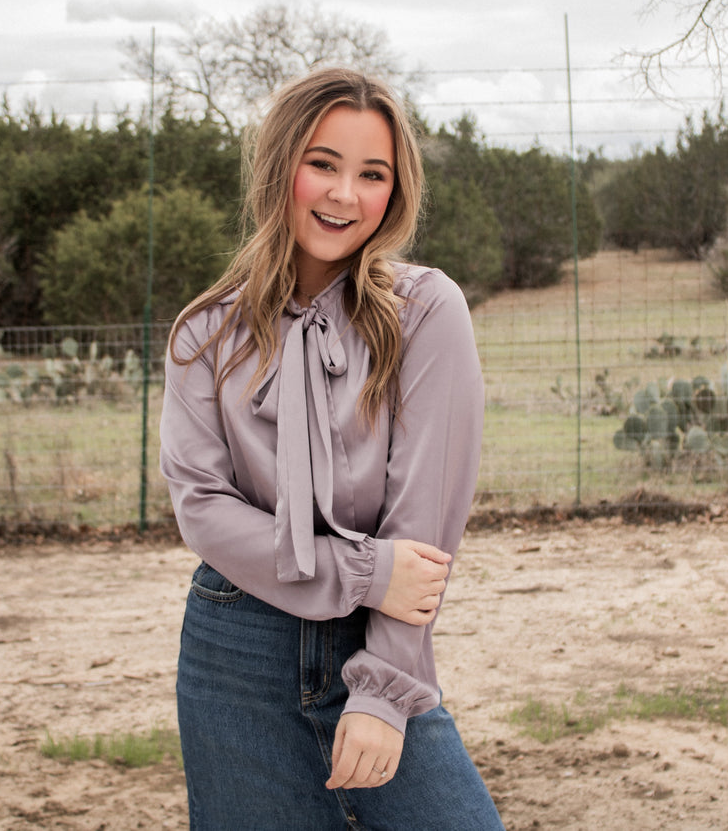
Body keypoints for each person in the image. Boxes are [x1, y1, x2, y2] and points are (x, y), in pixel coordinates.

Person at [159, 66, 504, 830]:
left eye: (370, 174)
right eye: (322, 164)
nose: (344, 194)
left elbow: (424, 525)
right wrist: (363, 570)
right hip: (234, 643)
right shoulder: (203, 334)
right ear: (281, 166)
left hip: (376, 635)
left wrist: (382, 690)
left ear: (395, 191)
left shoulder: (426, 311)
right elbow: (205, 512)